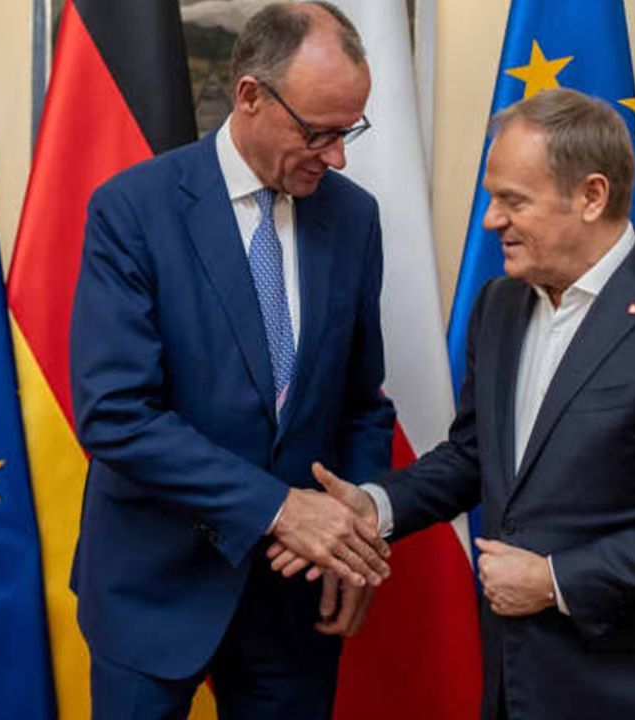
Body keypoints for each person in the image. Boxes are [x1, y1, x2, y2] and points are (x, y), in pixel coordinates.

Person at [279, 88, 635, 719]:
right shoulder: (500, 305)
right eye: (493, 198)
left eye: (514, 201)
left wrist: (557, 580)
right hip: (518, 685)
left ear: (592, 196)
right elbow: (475, 454)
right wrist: (376, 506)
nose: (491, 221)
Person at [68, 3, 395, 717]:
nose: (337, 156)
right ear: (250, 96)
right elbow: (116, 415)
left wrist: (358, 531)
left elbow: (361, 404)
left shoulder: (354, 217)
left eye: (348, 132)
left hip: (294, 601)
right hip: (154, 587)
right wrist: (279, 510)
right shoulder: (133, 210)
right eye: (318, 132)